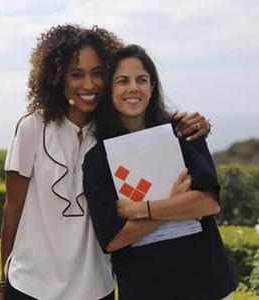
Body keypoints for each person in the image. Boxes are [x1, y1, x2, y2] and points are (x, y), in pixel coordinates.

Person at [0, 25, 211, 300]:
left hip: (96, 288)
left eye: (97, 73)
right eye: (76, 74)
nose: (89, 84)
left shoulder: (117, 134)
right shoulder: (32, 127)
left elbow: (159, 126)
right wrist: (3, 281)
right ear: (57, 78)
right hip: (28, 286)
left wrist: (199, 124)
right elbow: (11, 209)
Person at [83, 44, 237, 300]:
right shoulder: (98, 160)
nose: (133, 87)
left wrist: (139, 210)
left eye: (141, 80)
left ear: (152, 87)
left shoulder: (182, 132)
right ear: (110, 89)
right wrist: (174, 206)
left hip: (208, 286)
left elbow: (208, 203)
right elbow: (113, 239)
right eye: (123, 81)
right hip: (146, 290)